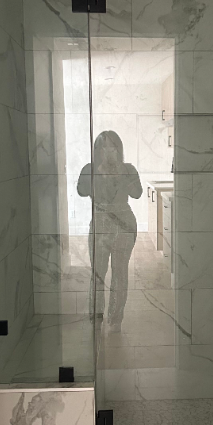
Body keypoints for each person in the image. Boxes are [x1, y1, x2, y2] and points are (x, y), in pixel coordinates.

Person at [77, 131, 142, 332]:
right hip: (100, 221)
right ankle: (96, 317)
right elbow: (81, 191)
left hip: (124, 223)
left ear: (118, 149)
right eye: (103, 147)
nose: (108, 151)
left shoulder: (128, 169)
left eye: (112, 147)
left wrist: (120, 173)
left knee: (120, 273)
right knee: (97, 273)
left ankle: (115, 319)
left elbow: (137, 193)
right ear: (97, 150)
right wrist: (99, 172)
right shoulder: (89, 169)